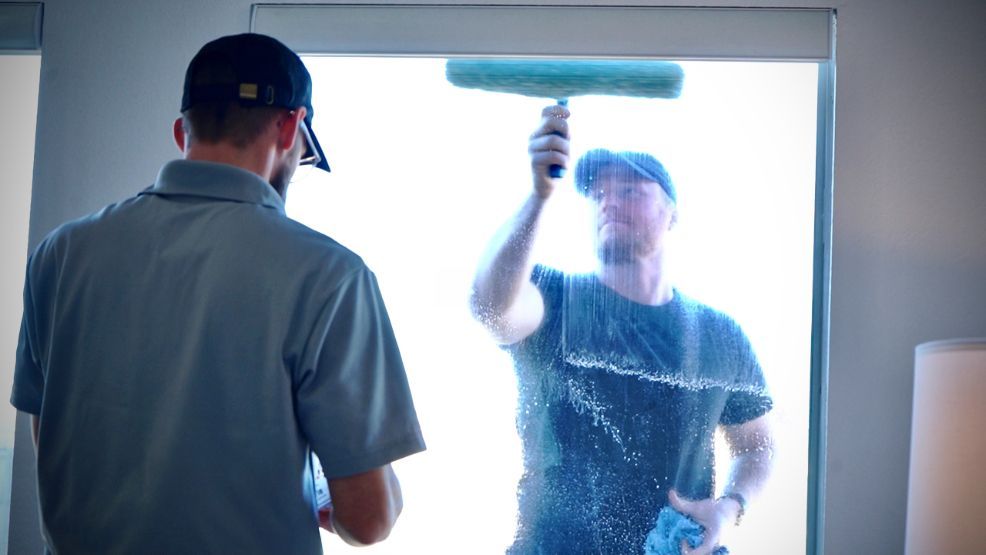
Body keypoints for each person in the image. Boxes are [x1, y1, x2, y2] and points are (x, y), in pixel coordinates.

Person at [10, 33, 425, 554]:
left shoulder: (61, 253)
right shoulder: (329, 276)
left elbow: (51, 447)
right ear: (292, 126)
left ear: (183, 130)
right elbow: (368, 519)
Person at [470, 105, 774, 554]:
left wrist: (728, 508)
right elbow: (491, 308)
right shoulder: (555, 298)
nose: (608, 201)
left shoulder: (719, 334)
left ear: (672, 212)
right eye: (597, 193)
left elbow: (758, 446)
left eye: (630, 189)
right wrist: (538, 196)